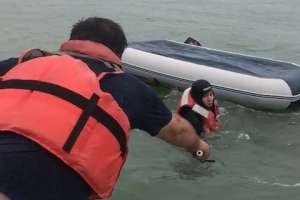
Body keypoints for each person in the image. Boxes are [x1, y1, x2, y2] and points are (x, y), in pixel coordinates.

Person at [0, 17, 209, 200]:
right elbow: (178, 130)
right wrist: (198, 146)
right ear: (118, 54)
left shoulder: (21, 63)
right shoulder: (127, 87)